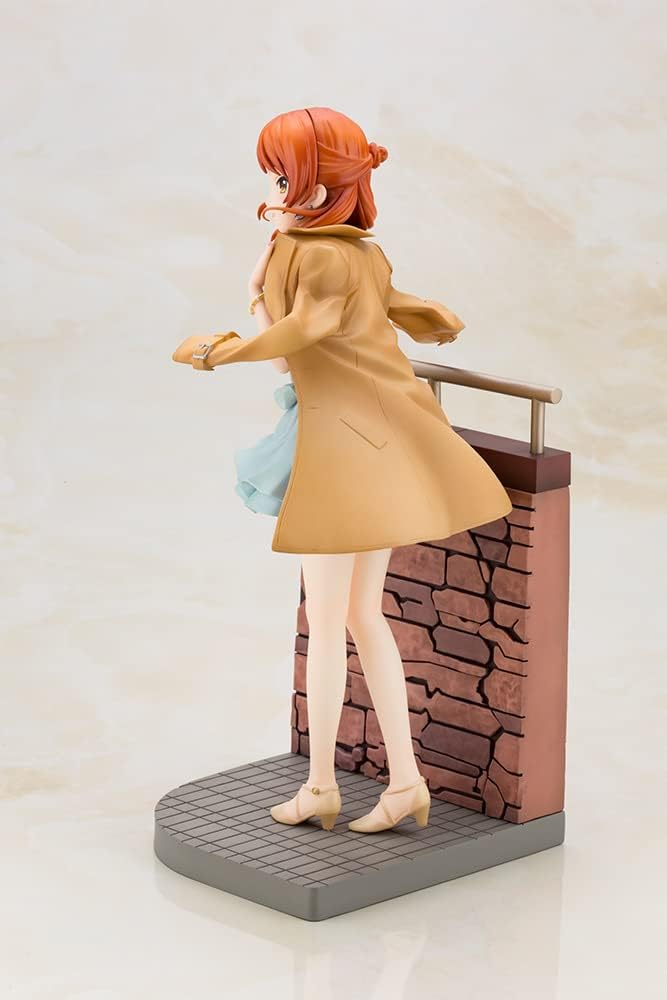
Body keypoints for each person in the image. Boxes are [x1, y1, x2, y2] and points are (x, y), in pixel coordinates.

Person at [172, 106, 513, 833]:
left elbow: (299, 338)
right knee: (363, 615)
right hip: (380, 440)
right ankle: (406, 783)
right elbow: (386, 308)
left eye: (281, 178)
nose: (270, 192)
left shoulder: (310, 254)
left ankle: (322, 787)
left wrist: (222, 343)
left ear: (316, 186)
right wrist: (433, 318)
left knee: (329, 622)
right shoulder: (360, 253)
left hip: (339, 448)